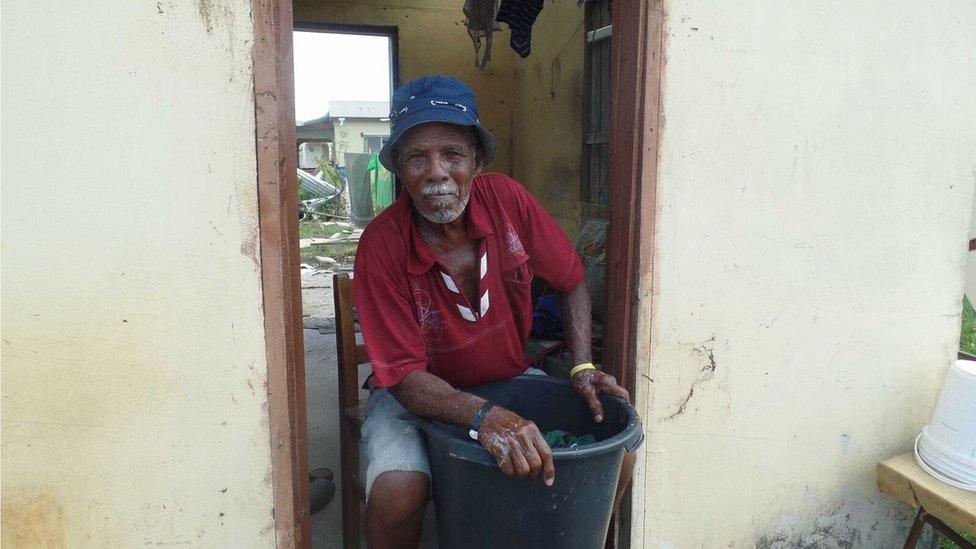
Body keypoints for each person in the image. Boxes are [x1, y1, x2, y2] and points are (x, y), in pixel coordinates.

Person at [353, 75, 636, 549]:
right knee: (398, 492)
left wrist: (584, 366)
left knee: (616, 457)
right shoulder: (381, 245)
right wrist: (486, 417)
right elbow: (403, 378)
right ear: (400, 170)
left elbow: (570, 281)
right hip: (414, 396)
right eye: (417, 157)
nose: (436, 173)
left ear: (477, 162)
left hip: (510, 380)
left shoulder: (508, 201)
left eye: (452, 155)